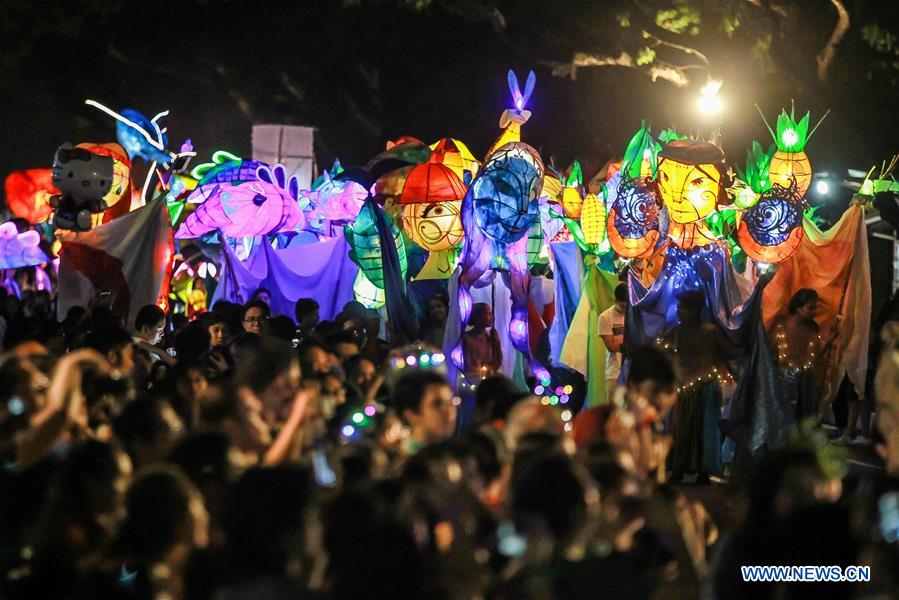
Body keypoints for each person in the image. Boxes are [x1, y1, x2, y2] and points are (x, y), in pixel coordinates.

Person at [662, 291, 735, 484]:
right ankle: (677, 470)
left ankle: (705, 472)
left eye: (682, 308)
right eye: (678, 308)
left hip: (706, 386)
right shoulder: (674, 332)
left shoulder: (711, 331)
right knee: (679, 429)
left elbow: (730, 351)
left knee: (707, 430)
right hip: (681, 388)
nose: (679, 312)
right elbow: (660, 352)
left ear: (695, 310)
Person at [769, 288, 838, 425]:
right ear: (798, 307)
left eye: (815, 308)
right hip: (784, 380)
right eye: (810, 308)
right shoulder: (780, 325)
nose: (814, 312)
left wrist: (829, 341)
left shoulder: (812, 328)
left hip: (806, 380)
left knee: (804, 420)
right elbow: (768, 353)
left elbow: (816, 355)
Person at [392, 370, 457, 454]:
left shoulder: (454, 454)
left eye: (451, 401)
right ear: (411, 414)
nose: (449, 410)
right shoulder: (406, 462)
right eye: (437, 404)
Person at [598, 283, 627, 402]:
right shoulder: (605, 317)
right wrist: (633, 345)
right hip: (614, 373)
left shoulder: (635, 314)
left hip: (632, 372)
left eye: (628, 306)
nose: (625, 309)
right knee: (615, 409)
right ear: (616, 301)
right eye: (622, 306)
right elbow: (611, 346)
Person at [462, 303, 502, 377]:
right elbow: (468, 367)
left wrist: (497, 343)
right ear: (477, 317)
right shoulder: (467, 338)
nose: (492, 318)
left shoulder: (490, 337)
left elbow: (497, 363)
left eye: (491, 314)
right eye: (488, 315)